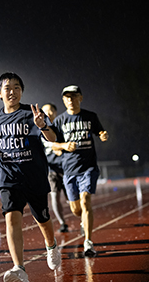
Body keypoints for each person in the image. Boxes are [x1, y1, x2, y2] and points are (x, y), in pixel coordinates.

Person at [0, 72, 61, 282]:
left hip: (33, 175)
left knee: (42, 219)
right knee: (11, 220)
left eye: (17, 87)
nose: (12, 91)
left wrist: (42, 125)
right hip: (8, 177)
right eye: (7, 88)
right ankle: (20, 268)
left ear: (22, 91)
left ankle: (51, 245)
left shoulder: (31, 114)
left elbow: (53, 137)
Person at [51, 85, 109, 257]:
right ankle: (84, 222)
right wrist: (63, 146)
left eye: (74, 96)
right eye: (67, 97)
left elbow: (100, 131)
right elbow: (53, 144)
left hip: (88, 167)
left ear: (80, 98)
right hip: (69, 170)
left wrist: (103, 135)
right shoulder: (60, 121)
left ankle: (88, 242)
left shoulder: (90, 116)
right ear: (63, 100)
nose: (70, 99)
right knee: (76, 209)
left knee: (85, 201)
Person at [41, 103, 69, 233]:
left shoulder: (62, 127)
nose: (49, 113)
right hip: (51, 170)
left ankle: (82, 220)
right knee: (54, 198)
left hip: (67, 168)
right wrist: (59, 147)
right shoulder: (40, 130)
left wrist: (61, 147)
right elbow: (51, 145)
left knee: (72, 200)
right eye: (46, 111)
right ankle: (63, 223)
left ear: (56, 112)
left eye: (51, 110)